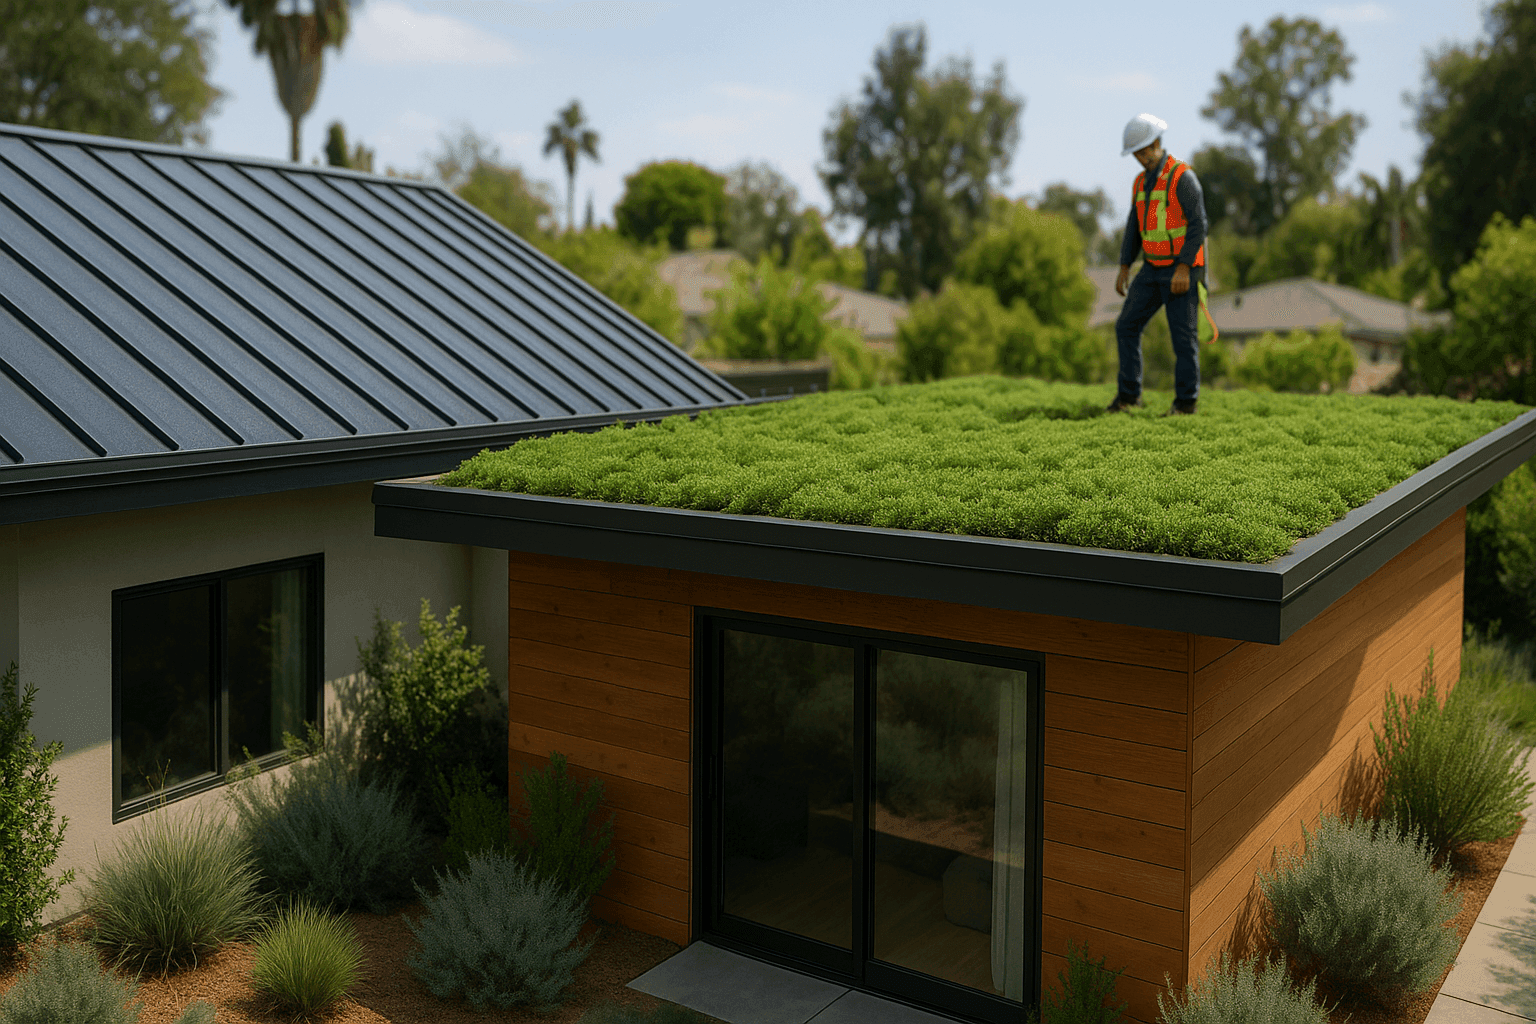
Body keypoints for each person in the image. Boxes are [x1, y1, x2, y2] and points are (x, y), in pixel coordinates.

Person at [1107, 113, 1209, 416]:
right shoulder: (1140, 183)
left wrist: (1183, 269)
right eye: (1135, 154)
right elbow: (1133, 226)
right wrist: (1125, 266)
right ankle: (1128, 396)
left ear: (1156, 144)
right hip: (1151, 269)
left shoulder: (1183, 177)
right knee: (1126, 326)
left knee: (1183, 338)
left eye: (1143, 151)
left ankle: (1186, 404)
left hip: (1182, 270)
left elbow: (1198, 226)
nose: (1140, 158)